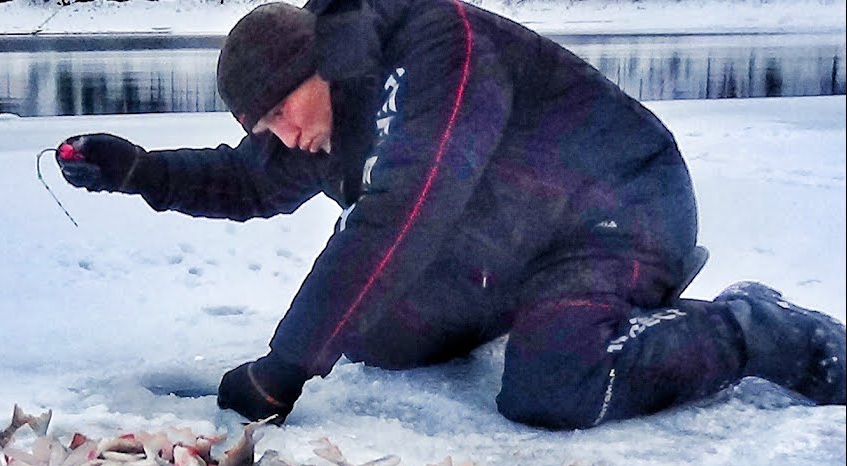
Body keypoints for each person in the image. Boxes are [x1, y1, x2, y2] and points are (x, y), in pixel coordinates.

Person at [54, 0, 846, 429]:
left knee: (554, 389)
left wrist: (285, 366)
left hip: (621, 208)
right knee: (377, 336)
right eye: (267, 130)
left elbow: (405, 210)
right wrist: (139, 171)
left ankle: (754, 326)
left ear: (317, 66)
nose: (285, 138)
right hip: (513, 241)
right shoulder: (319, 110)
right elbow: (245, 182)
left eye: (283, 113)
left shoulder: (441, 43)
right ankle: (561, 312)